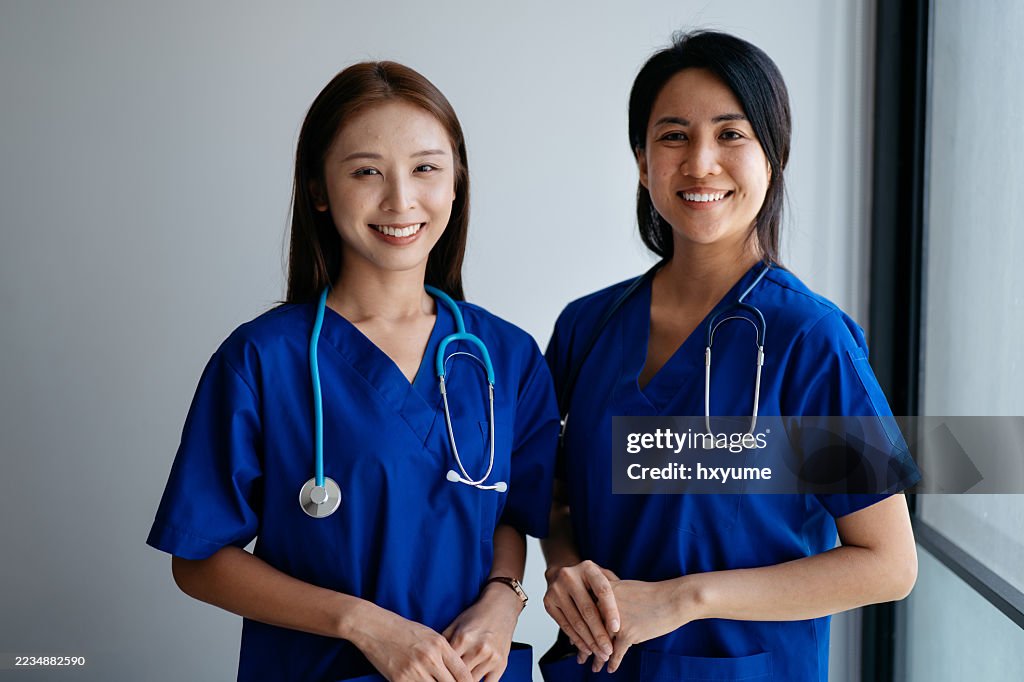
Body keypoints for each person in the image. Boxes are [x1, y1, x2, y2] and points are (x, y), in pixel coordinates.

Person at [147, 61, 558, 682]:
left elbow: (508, 515)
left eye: (425, 169)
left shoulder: (506, 355)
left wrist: (504, 600)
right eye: (367, 171)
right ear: (319, 189)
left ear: (456, 185)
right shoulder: (263, 360)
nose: (400, 200)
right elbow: (198, 559)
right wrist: (364, 625)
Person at [539, 31, 920, 682]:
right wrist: (563, 565)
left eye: (730, 134)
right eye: (673, 135)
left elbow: (888, 563)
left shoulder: (811, 340)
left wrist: (681, 599)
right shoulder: (586, 326)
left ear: (773, 155)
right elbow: (552, 493)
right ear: (641, 160)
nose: (701, 163)